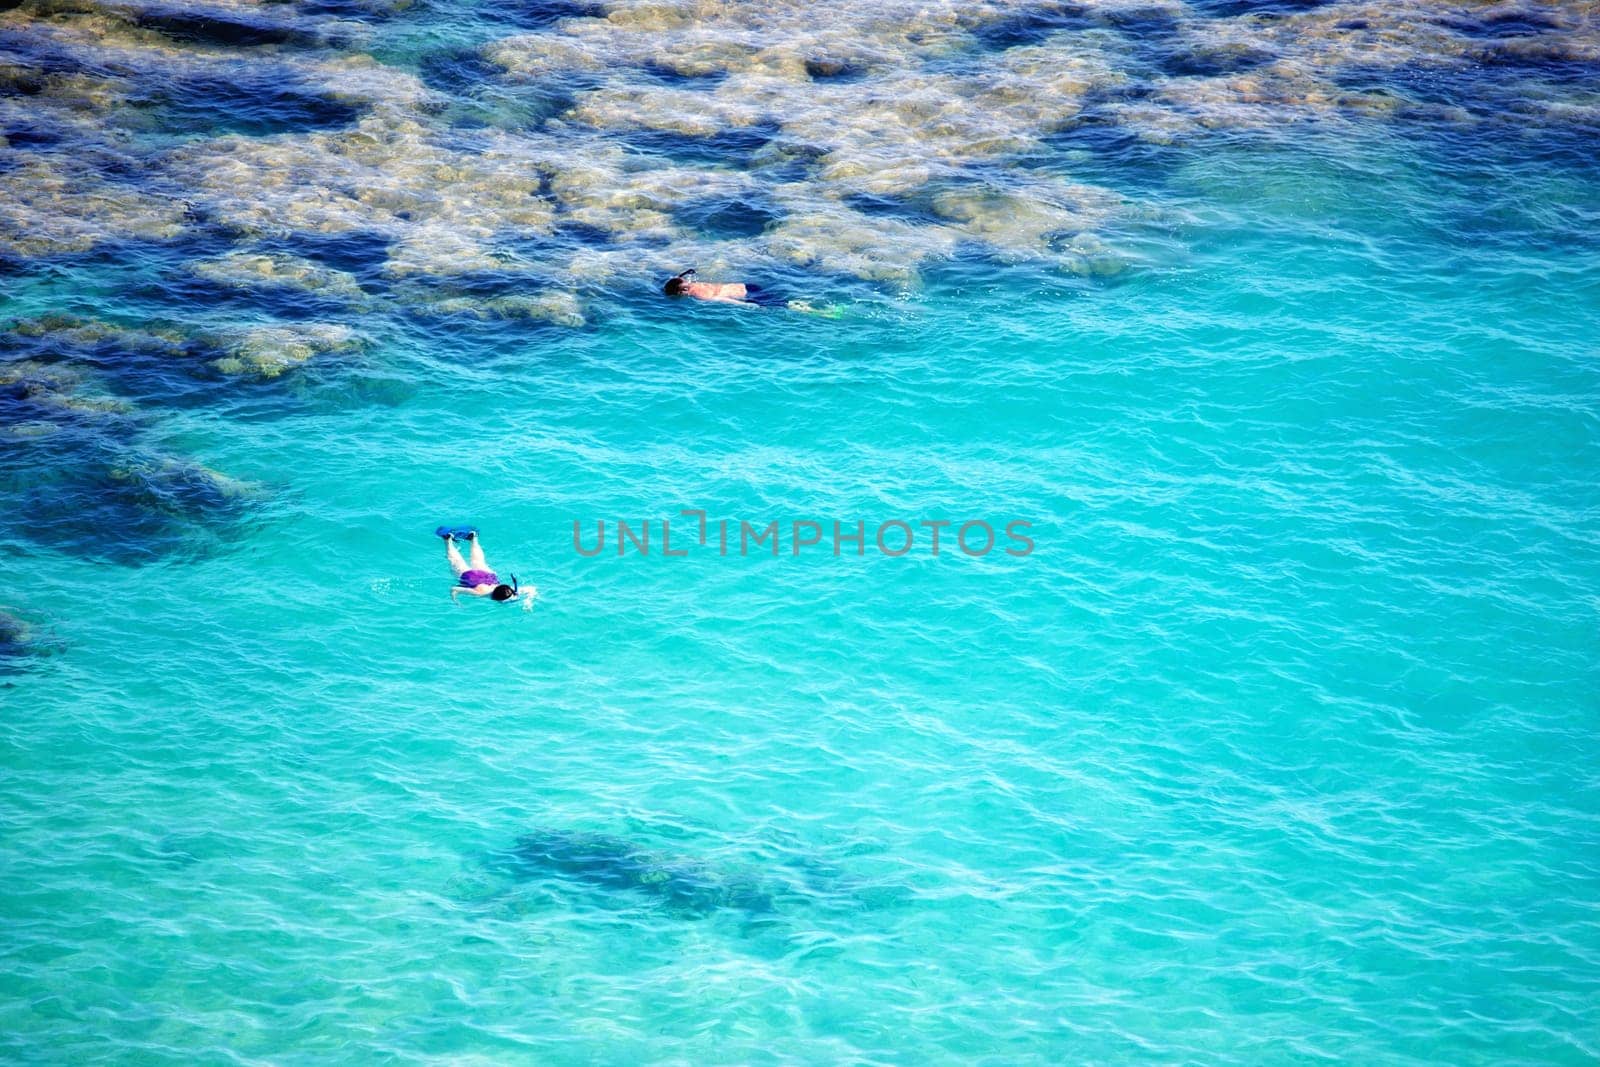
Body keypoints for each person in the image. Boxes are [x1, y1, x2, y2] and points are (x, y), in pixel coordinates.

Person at [437, 527, 529, 604]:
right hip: (471, 578)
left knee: (478, 561)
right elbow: (454, 589)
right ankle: (447, 540)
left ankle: (473, 538)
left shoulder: (509, 590)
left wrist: (528, 601)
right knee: (456, 561)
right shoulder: (480, 593)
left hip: (489, 576)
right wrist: (455, 600)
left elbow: (529, 589)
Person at [662, 268, 797, 309]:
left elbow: (723, 299)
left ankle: (803, 308)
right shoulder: (690, 283)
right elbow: (678, 278)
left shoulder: (699, 294)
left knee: (787, 305)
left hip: (750, 296)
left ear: (681, 292)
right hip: (748, 286)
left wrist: (749, 306)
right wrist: (685, 273)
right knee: (784, 301)